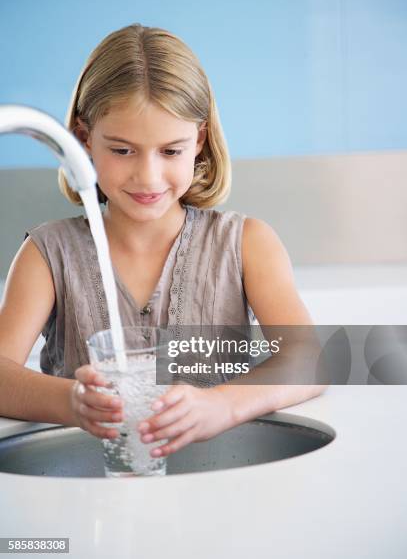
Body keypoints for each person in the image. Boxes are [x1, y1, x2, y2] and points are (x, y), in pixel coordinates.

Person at [0, 23, 327, 459]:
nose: (148, 176)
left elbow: (311, 360)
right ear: (83, 141)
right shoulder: (47, 255)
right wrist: (71, 402)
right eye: (122, 150)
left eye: (170, 151)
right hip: (90, 498)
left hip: (230, 483)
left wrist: (223, 404)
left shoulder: (247, 244)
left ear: (199, 142)